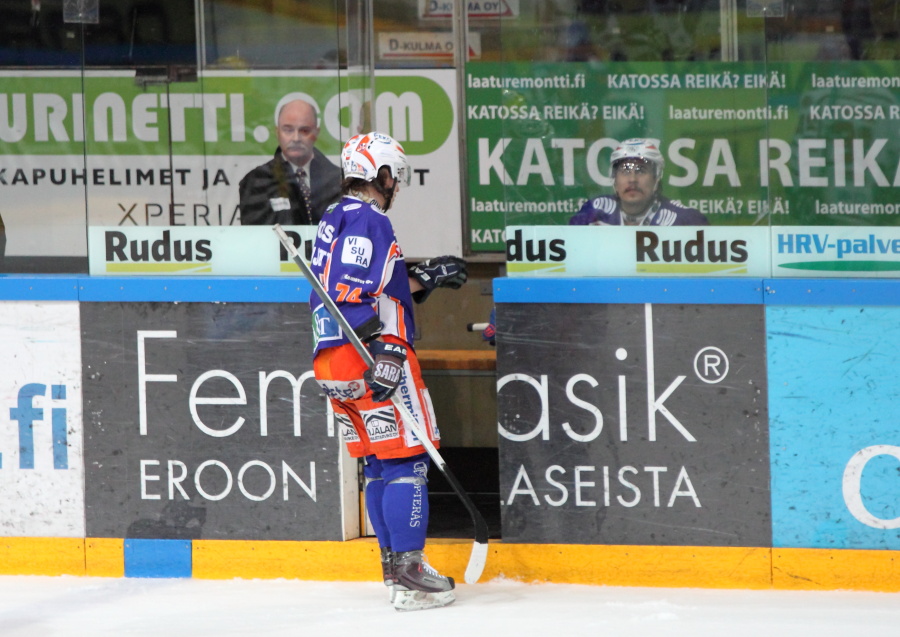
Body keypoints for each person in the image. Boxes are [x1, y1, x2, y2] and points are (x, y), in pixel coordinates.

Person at [308, 131, 468, 612]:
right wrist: (391, 352)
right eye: (394, 176)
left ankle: (392, 564)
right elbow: (356, 295)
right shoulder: (371, 220)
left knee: (378, 462)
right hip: (373, 357)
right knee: (407, 462)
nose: (395, 185)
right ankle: (411, 570)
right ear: (380, 175)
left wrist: (427, 276)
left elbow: (367, 287)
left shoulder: (333, 219)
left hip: (333, 360)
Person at [238, 99, 341, 226]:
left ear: (316, 133)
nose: (296, 138)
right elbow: (255, 238)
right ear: (277, 132)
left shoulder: (338, 180)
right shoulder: (256, 181)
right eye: (288, 130)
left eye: (304, 131)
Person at [569, 138, 709, 226]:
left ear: (656, 178)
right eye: (625, 171)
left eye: (641, 171)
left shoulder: (684, 220)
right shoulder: (595, 211)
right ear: (614, 179)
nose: (632, 179)